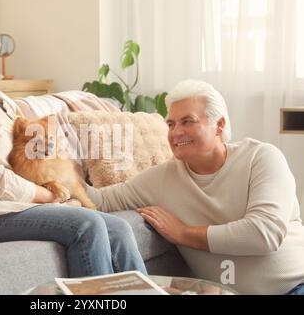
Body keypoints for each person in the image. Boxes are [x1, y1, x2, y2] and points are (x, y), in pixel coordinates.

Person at [0, 16, 147, 278]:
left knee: (119, 229)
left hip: (21, 202)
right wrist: (49, 195)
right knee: (87, 225)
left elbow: (29, 143)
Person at [86, 79, 304, 295]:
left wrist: (183, 233)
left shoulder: (261, 158)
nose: (175, 132)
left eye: (187, 121)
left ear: (219, 125)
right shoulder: (162, 178)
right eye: (171, 124)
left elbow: (263, 234)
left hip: (295, 286)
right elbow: (101, 200)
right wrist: (61, 176)